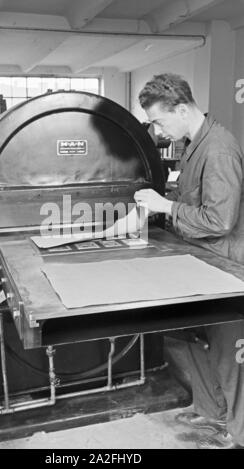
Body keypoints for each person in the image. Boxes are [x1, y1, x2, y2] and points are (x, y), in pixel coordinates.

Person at [133, 73, 244, 449]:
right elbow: (189, 201)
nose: (158, 131)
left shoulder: (220, 149)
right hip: (198, 262)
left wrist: (166, 206)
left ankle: (238, 432)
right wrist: (154, 208)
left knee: (230, 354)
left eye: (159, 121)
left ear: (182, 108)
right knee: (194, 336)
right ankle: (210, 410)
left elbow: (221, 220)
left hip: (227, 268)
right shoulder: (193, 144)